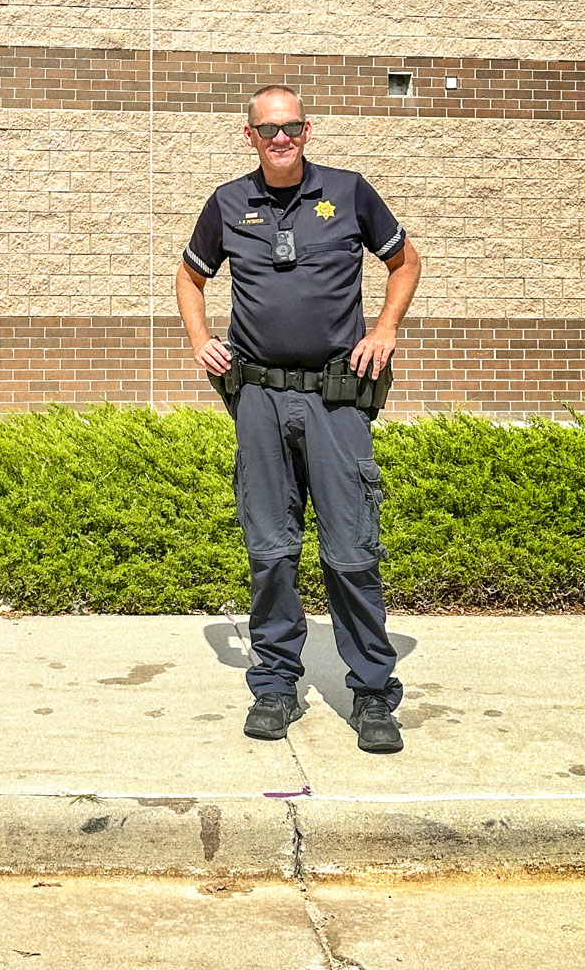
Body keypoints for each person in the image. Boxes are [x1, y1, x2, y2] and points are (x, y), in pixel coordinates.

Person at [175, 84, 422, 754]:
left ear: (307, 131)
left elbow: (404, 261)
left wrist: (387, 329)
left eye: (291, 128)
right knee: (271, 552)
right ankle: (276, 684)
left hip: (337, 398)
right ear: (248, 136)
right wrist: (201, 341)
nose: (280, 139)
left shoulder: (348, 192)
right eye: (267, 130)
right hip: (257, 397)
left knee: (350, 551)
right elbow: (190, 277)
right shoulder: (228, 203)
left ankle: (372, 693)